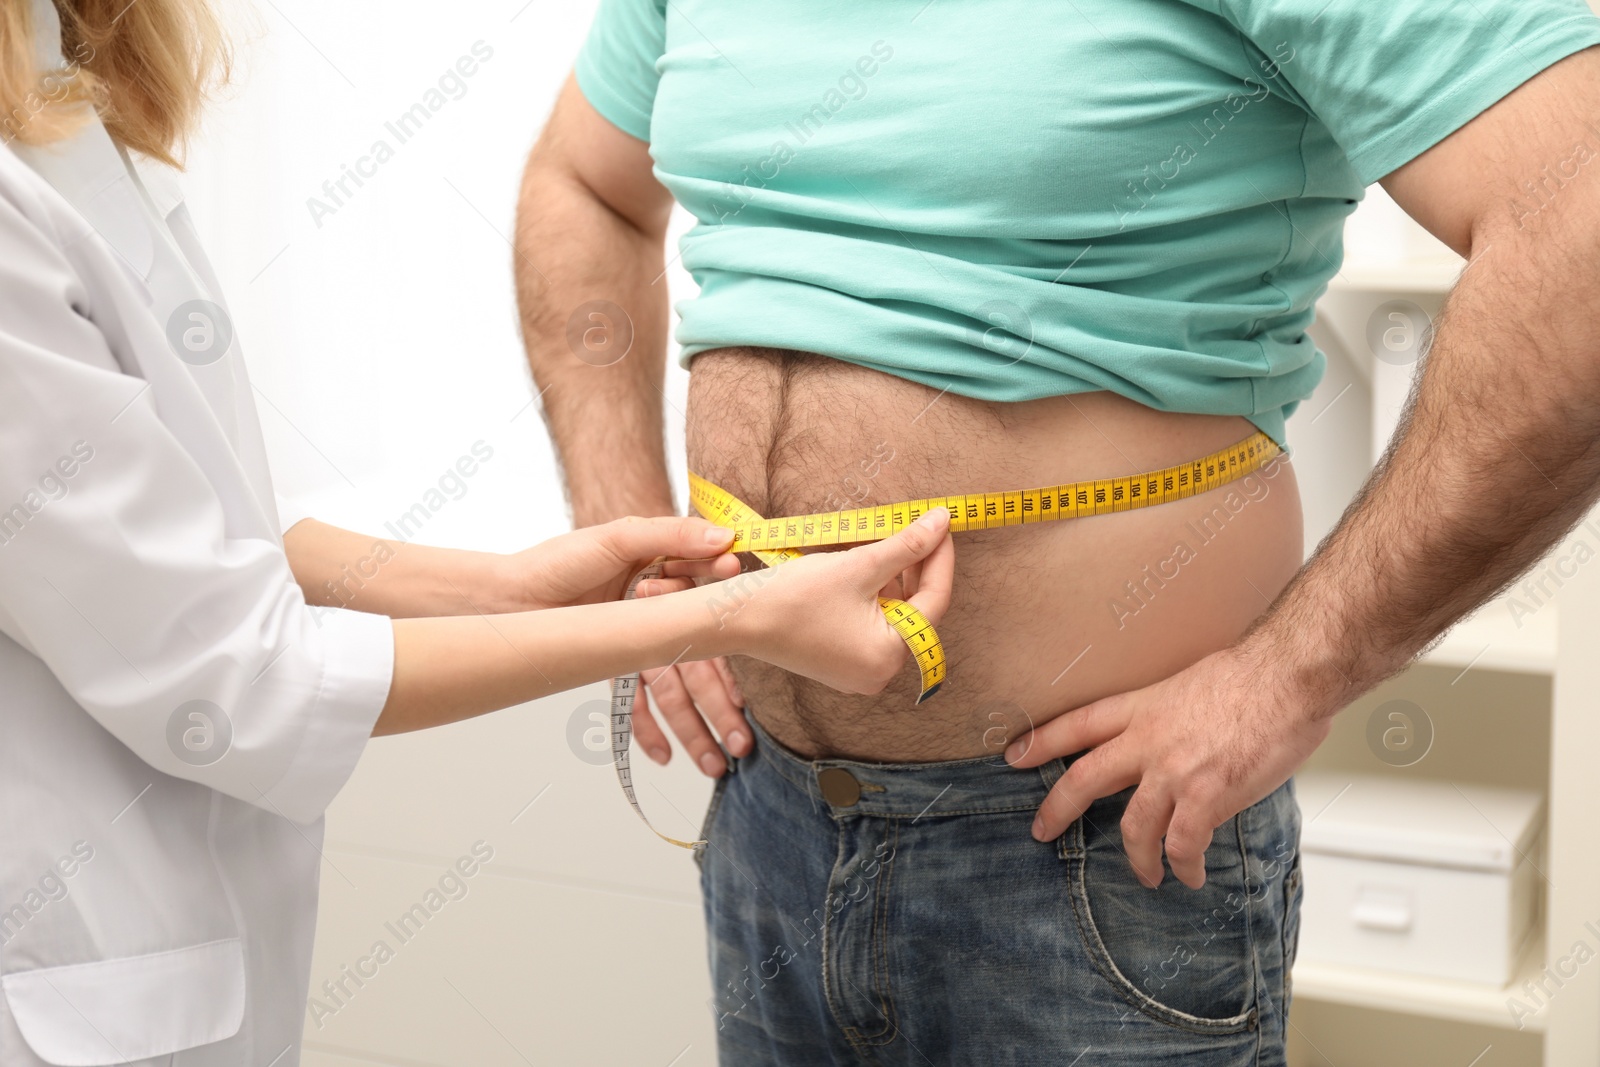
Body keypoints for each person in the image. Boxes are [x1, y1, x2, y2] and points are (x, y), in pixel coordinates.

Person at [515, 0, 1600, 1063]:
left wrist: (1290, 675)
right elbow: (583, 190)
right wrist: (629, 532)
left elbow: (1579, 231)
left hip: (1097, 844)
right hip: (767, 810)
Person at [0, 2, 956, 1064]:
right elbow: (233, 671)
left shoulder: (56, 85)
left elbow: (155, 529)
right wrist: (726, 613)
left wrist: (504, 587)